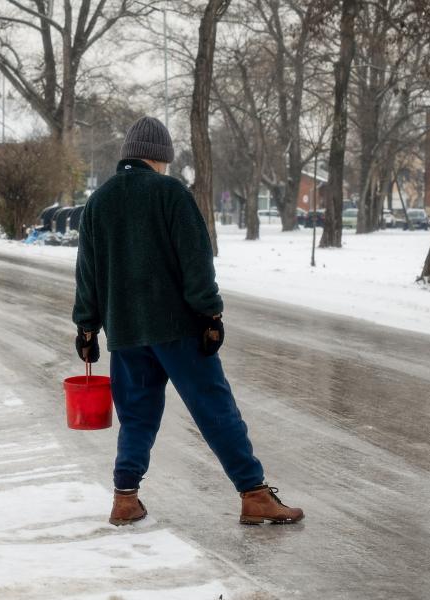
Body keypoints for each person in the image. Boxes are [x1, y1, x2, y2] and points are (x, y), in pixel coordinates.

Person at [72, 116, 304, 527]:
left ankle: (125, 499)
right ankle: (254, 494)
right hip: (177, 329)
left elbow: (87, 272)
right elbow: (196, 261)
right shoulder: (169, 193)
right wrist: (210, 314)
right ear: (159, 158)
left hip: (125, 333)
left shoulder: (99, 201)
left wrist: (86, 327)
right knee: (215, 409)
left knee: (137, 418)